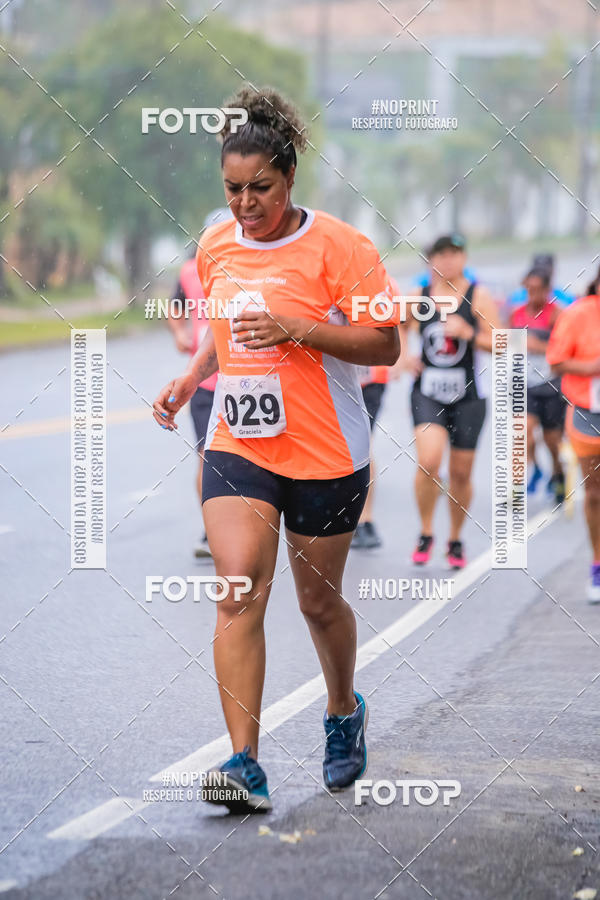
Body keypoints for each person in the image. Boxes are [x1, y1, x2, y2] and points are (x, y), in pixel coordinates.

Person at [152, 86, 400, 812]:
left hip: (327, 451)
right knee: (237, 589)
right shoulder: (217, 245)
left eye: (259, 187)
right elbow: (222, 325)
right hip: (240, 441)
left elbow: (385, 339)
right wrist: (192, 375)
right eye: (232, 189)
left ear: (289, 175)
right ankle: (244, 763)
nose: (244, 204)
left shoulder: (342, 246)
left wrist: (299, 327)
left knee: (319, 605)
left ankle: (342, 711)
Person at [395, 233, 500, 569]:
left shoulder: (478, 296)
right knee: (429, 462)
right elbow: (397, 327)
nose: (449, 260)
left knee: (460, 473)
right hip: (427, 392)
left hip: (469, 396)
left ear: (464, 258)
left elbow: (503, 343)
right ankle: (426, 531)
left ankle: (455, 537)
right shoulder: (419, 296)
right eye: (442, 254)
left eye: (455, 254)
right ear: (431, 260)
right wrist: (403, 357)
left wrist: (470, 334)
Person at [166, 208, 234, 558]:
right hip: (206, 382)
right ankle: (213, 533)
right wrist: (180, 333)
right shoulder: (191, 271)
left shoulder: (247, 267)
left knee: (215, 458)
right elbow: (174, 307)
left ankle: (224, 532)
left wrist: (180, 332)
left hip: (244, 382)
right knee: (208, 457)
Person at [547, 266, 600, 603]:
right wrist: (592, 367)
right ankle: (598, 565)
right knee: (594, 493)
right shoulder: (579, 313)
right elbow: (556, 360)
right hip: (588, 414)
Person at [350, 275, 400, 550]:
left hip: (369, 378)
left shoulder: (384, 282)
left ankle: (365, 521)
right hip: (327, 378)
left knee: (361, 445)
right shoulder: (316, 274)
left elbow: (397, 325)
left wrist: (399, 358)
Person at [509, 267, 566, 502]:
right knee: (523, 433)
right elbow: (506, 344)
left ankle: (557, 473)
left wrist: (539, 347)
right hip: (525, 384)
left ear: (546, 290)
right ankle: (518, 485)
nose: (532, 294)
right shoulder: (516, 314)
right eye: (528, 289)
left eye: (537, 290)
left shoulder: (557, 315)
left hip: (551, 385)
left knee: (552, 441)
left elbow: (565, 350)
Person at [508, 253, 575, 308]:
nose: (542, 274)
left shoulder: (565, 296)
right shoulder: (517, 297)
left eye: (546, 271)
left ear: (553, 271)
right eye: (538, 271)